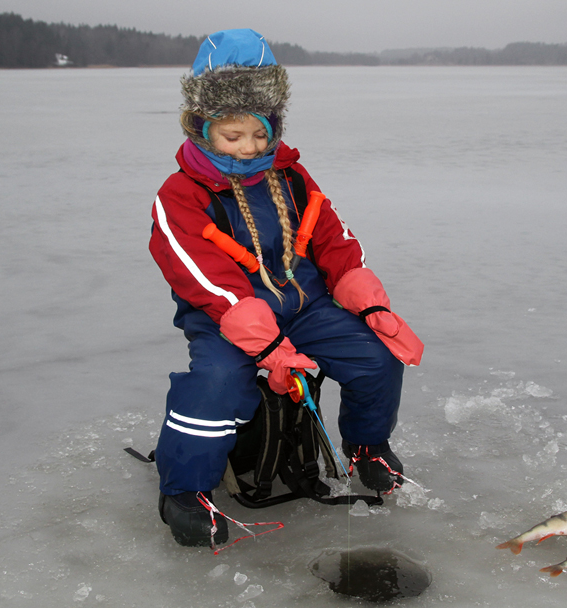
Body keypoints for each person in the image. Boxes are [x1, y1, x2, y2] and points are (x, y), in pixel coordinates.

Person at [148, 28, 424, 548]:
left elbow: (334, 240)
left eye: (261, 133)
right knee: (216, 386)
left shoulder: (292, 175)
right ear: (200, 126)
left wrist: (367, 302)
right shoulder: (180, 193)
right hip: (224, 318)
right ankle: (183, 491)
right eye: (234, 137)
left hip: (304, 305)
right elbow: (198, 272)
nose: (250, 148)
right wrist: (267, 344)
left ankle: (368, 446)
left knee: (376, 359)